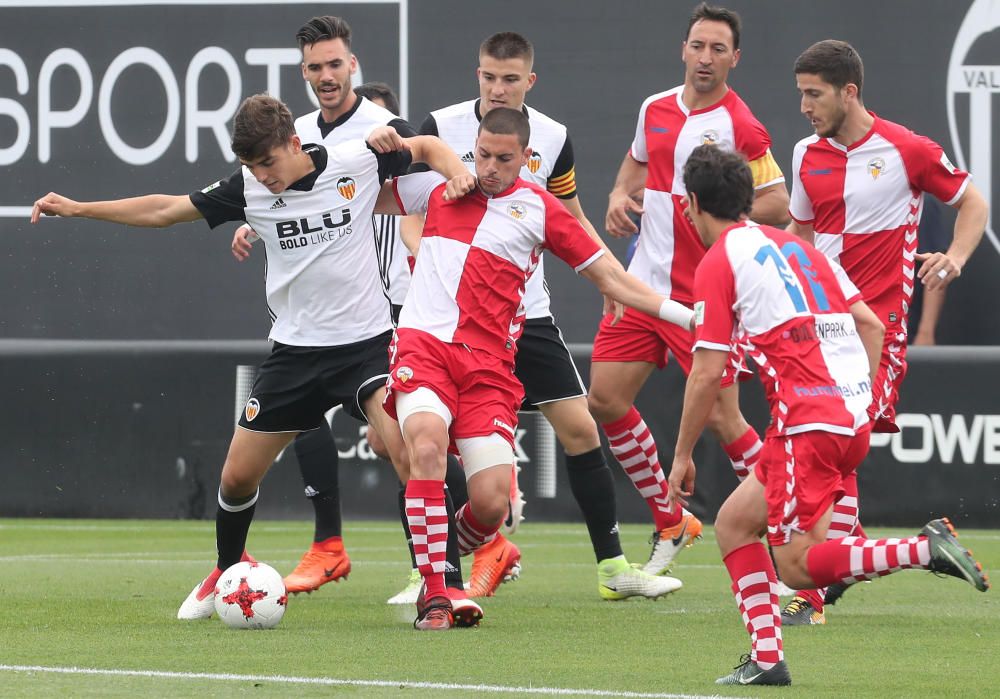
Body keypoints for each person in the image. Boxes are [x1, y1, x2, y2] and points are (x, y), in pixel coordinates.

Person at [30, 93, 479, 623]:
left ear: (294, 142)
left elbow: (425, 144)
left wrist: (457, 174)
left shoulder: (356, 158)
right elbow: (163, 209)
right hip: (293, 355)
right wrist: (80, 208)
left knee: (410, 453)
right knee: (236, 479)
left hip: (366, 346)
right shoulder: (246, 188)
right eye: (250, 165)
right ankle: (225, 568)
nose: (261, 175)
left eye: (267, 162)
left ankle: (443, 588)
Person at [667, 144, 989, 686]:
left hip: (808, 423)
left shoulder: (719, 261)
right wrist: (857, 396)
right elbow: (873, 325)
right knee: (735, 524)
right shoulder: (803, 250)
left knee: (794, 564)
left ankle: (922, 547)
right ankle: (767, 661)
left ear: (691, 203)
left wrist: (680, 455)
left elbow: (706, 372)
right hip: (846, 415)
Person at [383, 107, 693, 630]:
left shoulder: (542, 209)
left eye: (504, 159)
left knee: (490, 505)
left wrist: (687, 316)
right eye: (482, 155)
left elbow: (613, 279)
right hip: (425, 346)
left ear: (526, 158)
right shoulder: (442, 189)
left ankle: (441, 554)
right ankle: (436, 595)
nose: (490, 167)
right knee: (428, 444)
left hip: (488, 368)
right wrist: (394, 144)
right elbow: (359, 193)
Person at [783, 39, 989, 624]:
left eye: (814, 94)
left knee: (840, 450)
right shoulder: (804, 154)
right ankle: (842, 566)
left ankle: (817, 589)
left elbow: (973, 203)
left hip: (876, 331)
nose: (804, 106)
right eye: (801, 93)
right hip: (815, 330)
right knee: (835, 455)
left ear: (849, 91)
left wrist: (955, 255)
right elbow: (801, 238)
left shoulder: (906, 149)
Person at [591, 2, 790, 577]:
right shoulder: (653, 108)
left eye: (718, 49)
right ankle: (672, 520)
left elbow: (777, 200)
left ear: (735, 58)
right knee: (604, 399)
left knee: (727, 421)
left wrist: (722, 207)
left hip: (703, 298)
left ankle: (785, 528)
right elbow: (633, 170)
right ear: (683, 49)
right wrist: (615, 198)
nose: (706, 58)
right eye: (698, 46)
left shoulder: (740, 125)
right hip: (642, 287)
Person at [229, 18, 426, 596]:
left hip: (385, 303)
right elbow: (282, 198)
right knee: (305, 420)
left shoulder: (383, 129)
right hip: (312, 317)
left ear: (352, 64)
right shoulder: (300, 132)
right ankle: (327, 545)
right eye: (314, 67)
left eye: (333, 64)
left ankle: (442, 557)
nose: (325, 76)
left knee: (406, 442)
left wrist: (423, 247)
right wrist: (250, 228)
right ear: (304, 72)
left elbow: (414, 199)